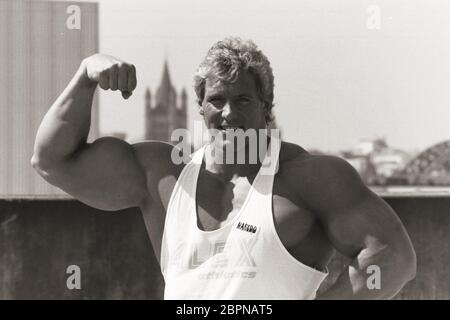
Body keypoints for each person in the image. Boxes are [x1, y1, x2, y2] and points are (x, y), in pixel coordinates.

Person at [32, 37, 416, 299]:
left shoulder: (307, 178)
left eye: (243, 100)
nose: (229, 113)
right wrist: (86, 75)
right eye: (216, 99)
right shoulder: (164, 175)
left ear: (267, 109)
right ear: (199, 106)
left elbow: (393, 257)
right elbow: (52, 162)